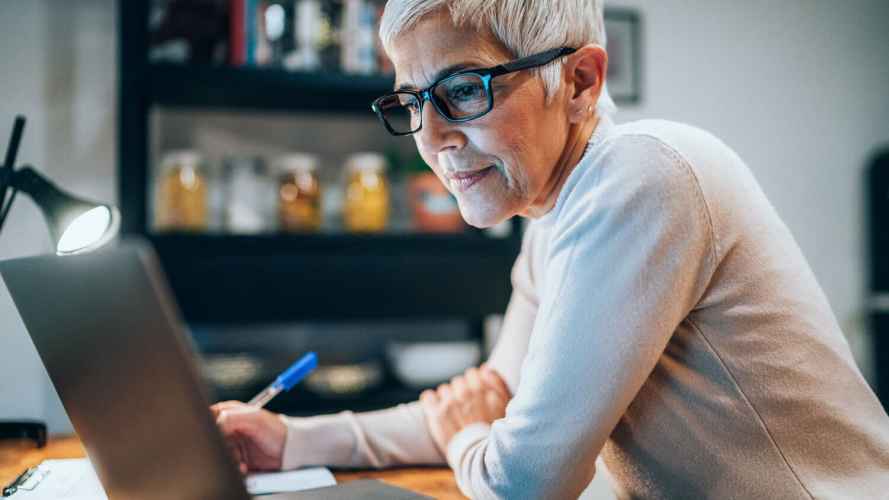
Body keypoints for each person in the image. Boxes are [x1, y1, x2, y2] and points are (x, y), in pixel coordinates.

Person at [211, 1, 889, 498]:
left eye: (462, 90)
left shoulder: (641, 178)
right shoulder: (553, 218)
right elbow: (494, 403)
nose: (434, 138)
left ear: (580, 82)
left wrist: (466, 436)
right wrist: (292, 441)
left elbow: (523, 483)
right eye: (415, 101)